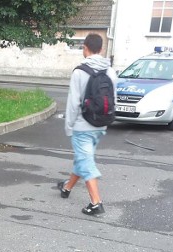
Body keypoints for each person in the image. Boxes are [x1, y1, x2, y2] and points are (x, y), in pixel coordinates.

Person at [58, 33, 117, 216]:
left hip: (83, 126)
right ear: (101, 49)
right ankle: (67, 188)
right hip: (101, 124)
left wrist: (69, 126)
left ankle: (96, 203)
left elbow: (73, 102)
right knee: (83, 157)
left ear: (85, 47)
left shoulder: (80, 72)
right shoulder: (111, 71)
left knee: (86, 161)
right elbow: (113, 98)